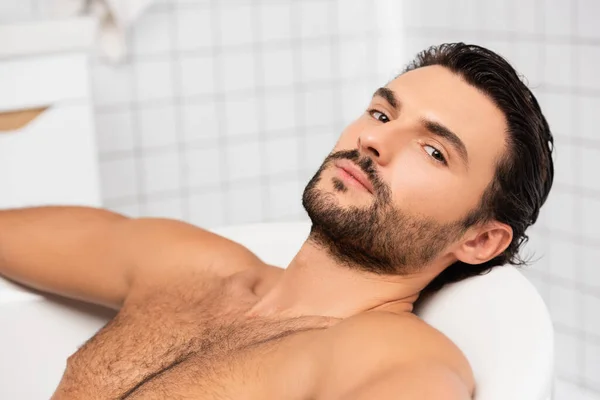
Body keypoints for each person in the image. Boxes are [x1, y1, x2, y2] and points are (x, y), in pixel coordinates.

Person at [0, 43, 554, 399]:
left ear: (480, 239)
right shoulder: (188, 266)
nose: (375, 139)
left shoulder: (392, 355)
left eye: (434, 151)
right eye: (382, 113)